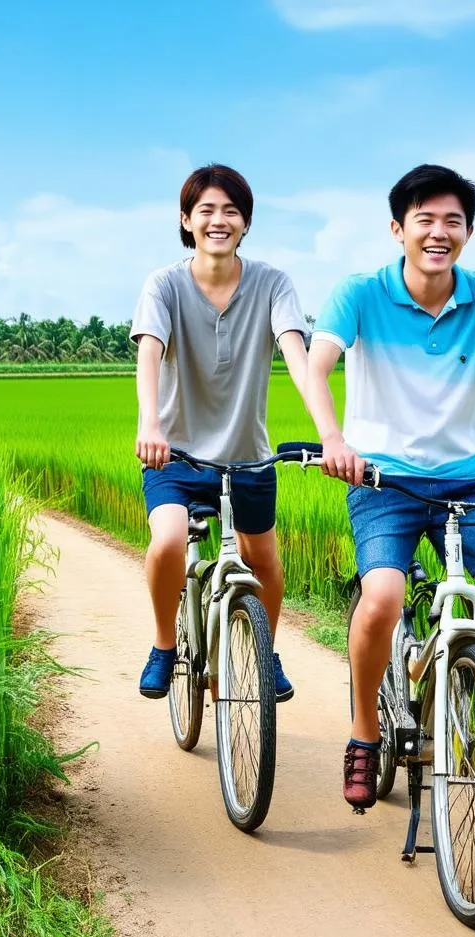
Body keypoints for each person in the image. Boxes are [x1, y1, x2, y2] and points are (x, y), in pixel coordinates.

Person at [304, 164, 475, 810]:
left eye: (453, 222)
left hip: (474, 479)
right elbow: (318, 365)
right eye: (425, 220)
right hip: (384, 479)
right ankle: (364, 736)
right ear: (397, 228)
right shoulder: (360, 293)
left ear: (468, 231)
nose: (439, 233)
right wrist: (334, 440)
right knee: (381, 597)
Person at [132, 163, 309, 702]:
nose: (218, 220)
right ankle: (165, 645)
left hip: (248, 458)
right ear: (186, 220)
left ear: (246, 223)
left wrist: (333, 433)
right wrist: (150, 423)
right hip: (176, 458)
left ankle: (266, 651)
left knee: (264, 563)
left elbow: (296, 355)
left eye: (231, 211)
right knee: (166, 541)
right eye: (206, 210)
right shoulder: (163, 284)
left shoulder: (273, 283)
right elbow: (150, 353)